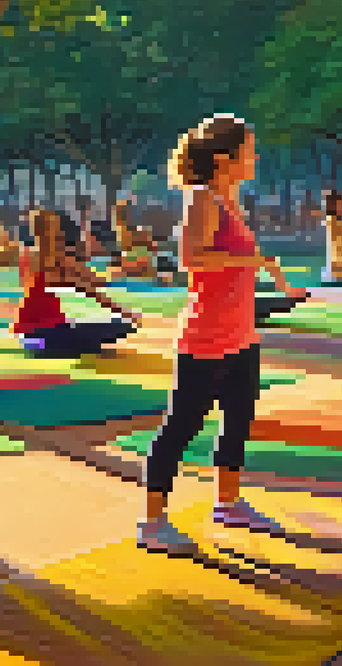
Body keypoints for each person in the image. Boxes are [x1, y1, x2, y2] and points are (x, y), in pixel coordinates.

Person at [138, 114, 312, 555]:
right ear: (224, 159)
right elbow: (192, 260)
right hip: (207, 335)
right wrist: (251, 264)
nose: (256, 157)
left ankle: (228, 503)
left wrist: (271, 275)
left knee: (238, 418)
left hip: (241, 333)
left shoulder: (228, 199)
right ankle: (152, 522)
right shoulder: (201, 199)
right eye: (249, 150)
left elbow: (236, 256)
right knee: (182, 425)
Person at [13, 209, 141, 358]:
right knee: (120, 324)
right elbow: (93, 288)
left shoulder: (28, 256)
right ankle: (71, 348)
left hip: (27, 339)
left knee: (83, 327)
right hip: (49, 336)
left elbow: (91, 283)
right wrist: (125, 312)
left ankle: (68, 347)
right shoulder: (59, 260)